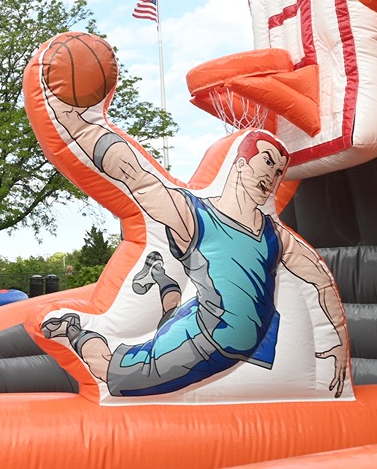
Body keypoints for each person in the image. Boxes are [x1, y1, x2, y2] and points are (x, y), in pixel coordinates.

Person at [40, 92, 350, 398]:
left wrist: (336, 341)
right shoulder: (194, 215)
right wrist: (77, 126)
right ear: (240, 163)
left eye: (278, 171)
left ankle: (159, 275)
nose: (271, 175)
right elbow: (134, 174)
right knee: (113, 375)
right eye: (266, 162)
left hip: (239, 338)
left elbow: (320, 281)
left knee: (169, 316)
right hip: (204, 338)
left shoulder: (275, 235)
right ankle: (75, 331)